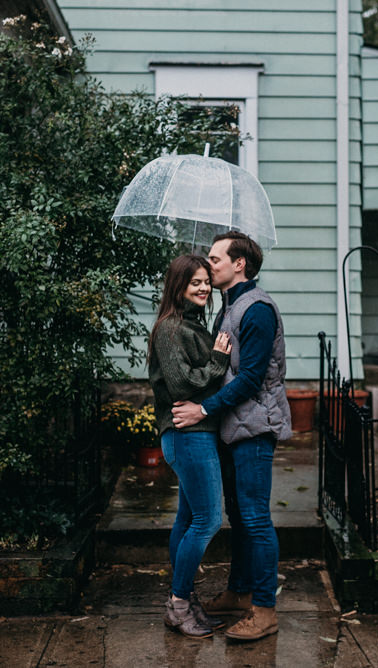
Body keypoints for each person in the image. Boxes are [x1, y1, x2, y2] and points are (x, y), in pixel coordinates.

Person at [172, 231, 291, 642]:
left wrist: (203, 409)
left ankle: (264, 609)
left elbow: (252, 380)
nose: (210, 265)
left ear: (239, 264)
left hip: (255, 428)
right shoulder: (230, 308)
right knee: (240, 515)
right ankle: (239, 595)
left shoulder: (256, 309)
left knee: (256, 517)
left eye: (216, 258)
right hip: (235, 427)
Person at [148, 254, 232, 639]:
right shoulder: (169, 328)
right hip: (186, 435)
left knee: (187, 520)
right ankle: (179, 603)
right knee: (208, 521)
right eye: (194, 282)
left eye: (205, 281)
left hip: (197, 434)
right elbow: (181, 385)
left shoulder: (193, 325)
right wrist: (217, 361)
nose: (202, 287)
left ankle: (183, 598)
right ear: (177, 287)